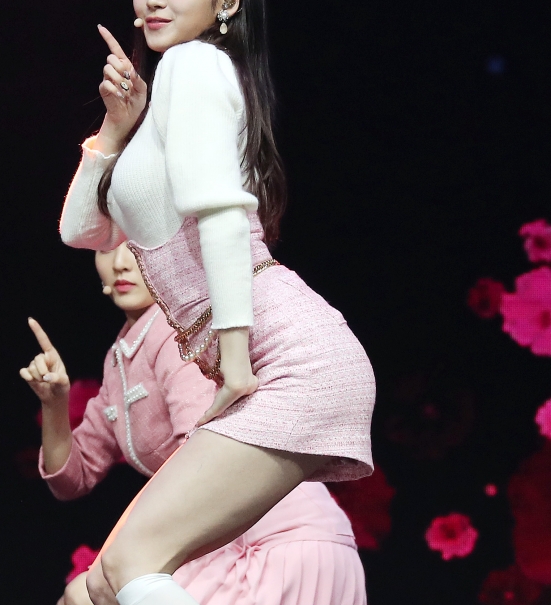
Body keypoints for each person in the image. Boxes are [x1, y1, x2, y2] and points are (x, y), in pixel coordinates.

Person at [58, 0, 375, 605]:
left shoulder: (195, 65)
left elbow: (226, 217)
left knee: (129, 562)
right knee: (105, 581)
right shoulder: (166, 97)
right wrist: (114, 127)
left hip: (286, 355)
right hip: (275, 351)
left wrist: (234, 360)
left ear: (227, 0)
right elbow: (82, 231)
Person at [20, 242, 366, 605]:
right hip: (217, 538)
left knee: (85, 595)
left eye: (135, 247)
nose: (120, 263)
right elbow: (71, 480)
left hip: (269, 540)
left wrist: (117, 557)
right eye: (107, 249)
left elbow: (198, 448)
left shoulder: (179, 333)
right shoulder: (120, 355)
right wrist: (55, 404)